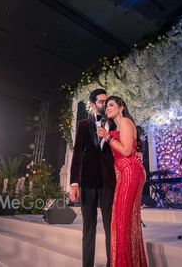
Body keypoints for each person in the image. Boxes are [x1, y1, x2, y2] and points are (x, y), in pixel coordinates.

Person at [97, 96, 147, 267]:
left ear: (121, 107)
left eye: (111, 105)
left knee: (122, 223)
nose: (108, 108)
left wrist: (107, 137)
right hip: (125, 173)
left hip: (130, 172)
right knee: (123, 222)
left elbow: (125, 151)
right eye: (106, 106)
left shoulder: (124, 121)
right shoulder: (118, 126)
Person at [70, 88, 116, 267]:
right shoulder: (83, 124)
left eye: (107, 101)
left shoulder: (114, 123)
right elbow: (77, 155)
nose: (105, 104)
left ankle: (111, 264)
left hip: (108, 182)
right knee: (88, 228)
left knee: (109, 227)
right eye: (101, 101)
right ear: (93, 104)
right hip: (87, 182)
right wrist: (74, 183)